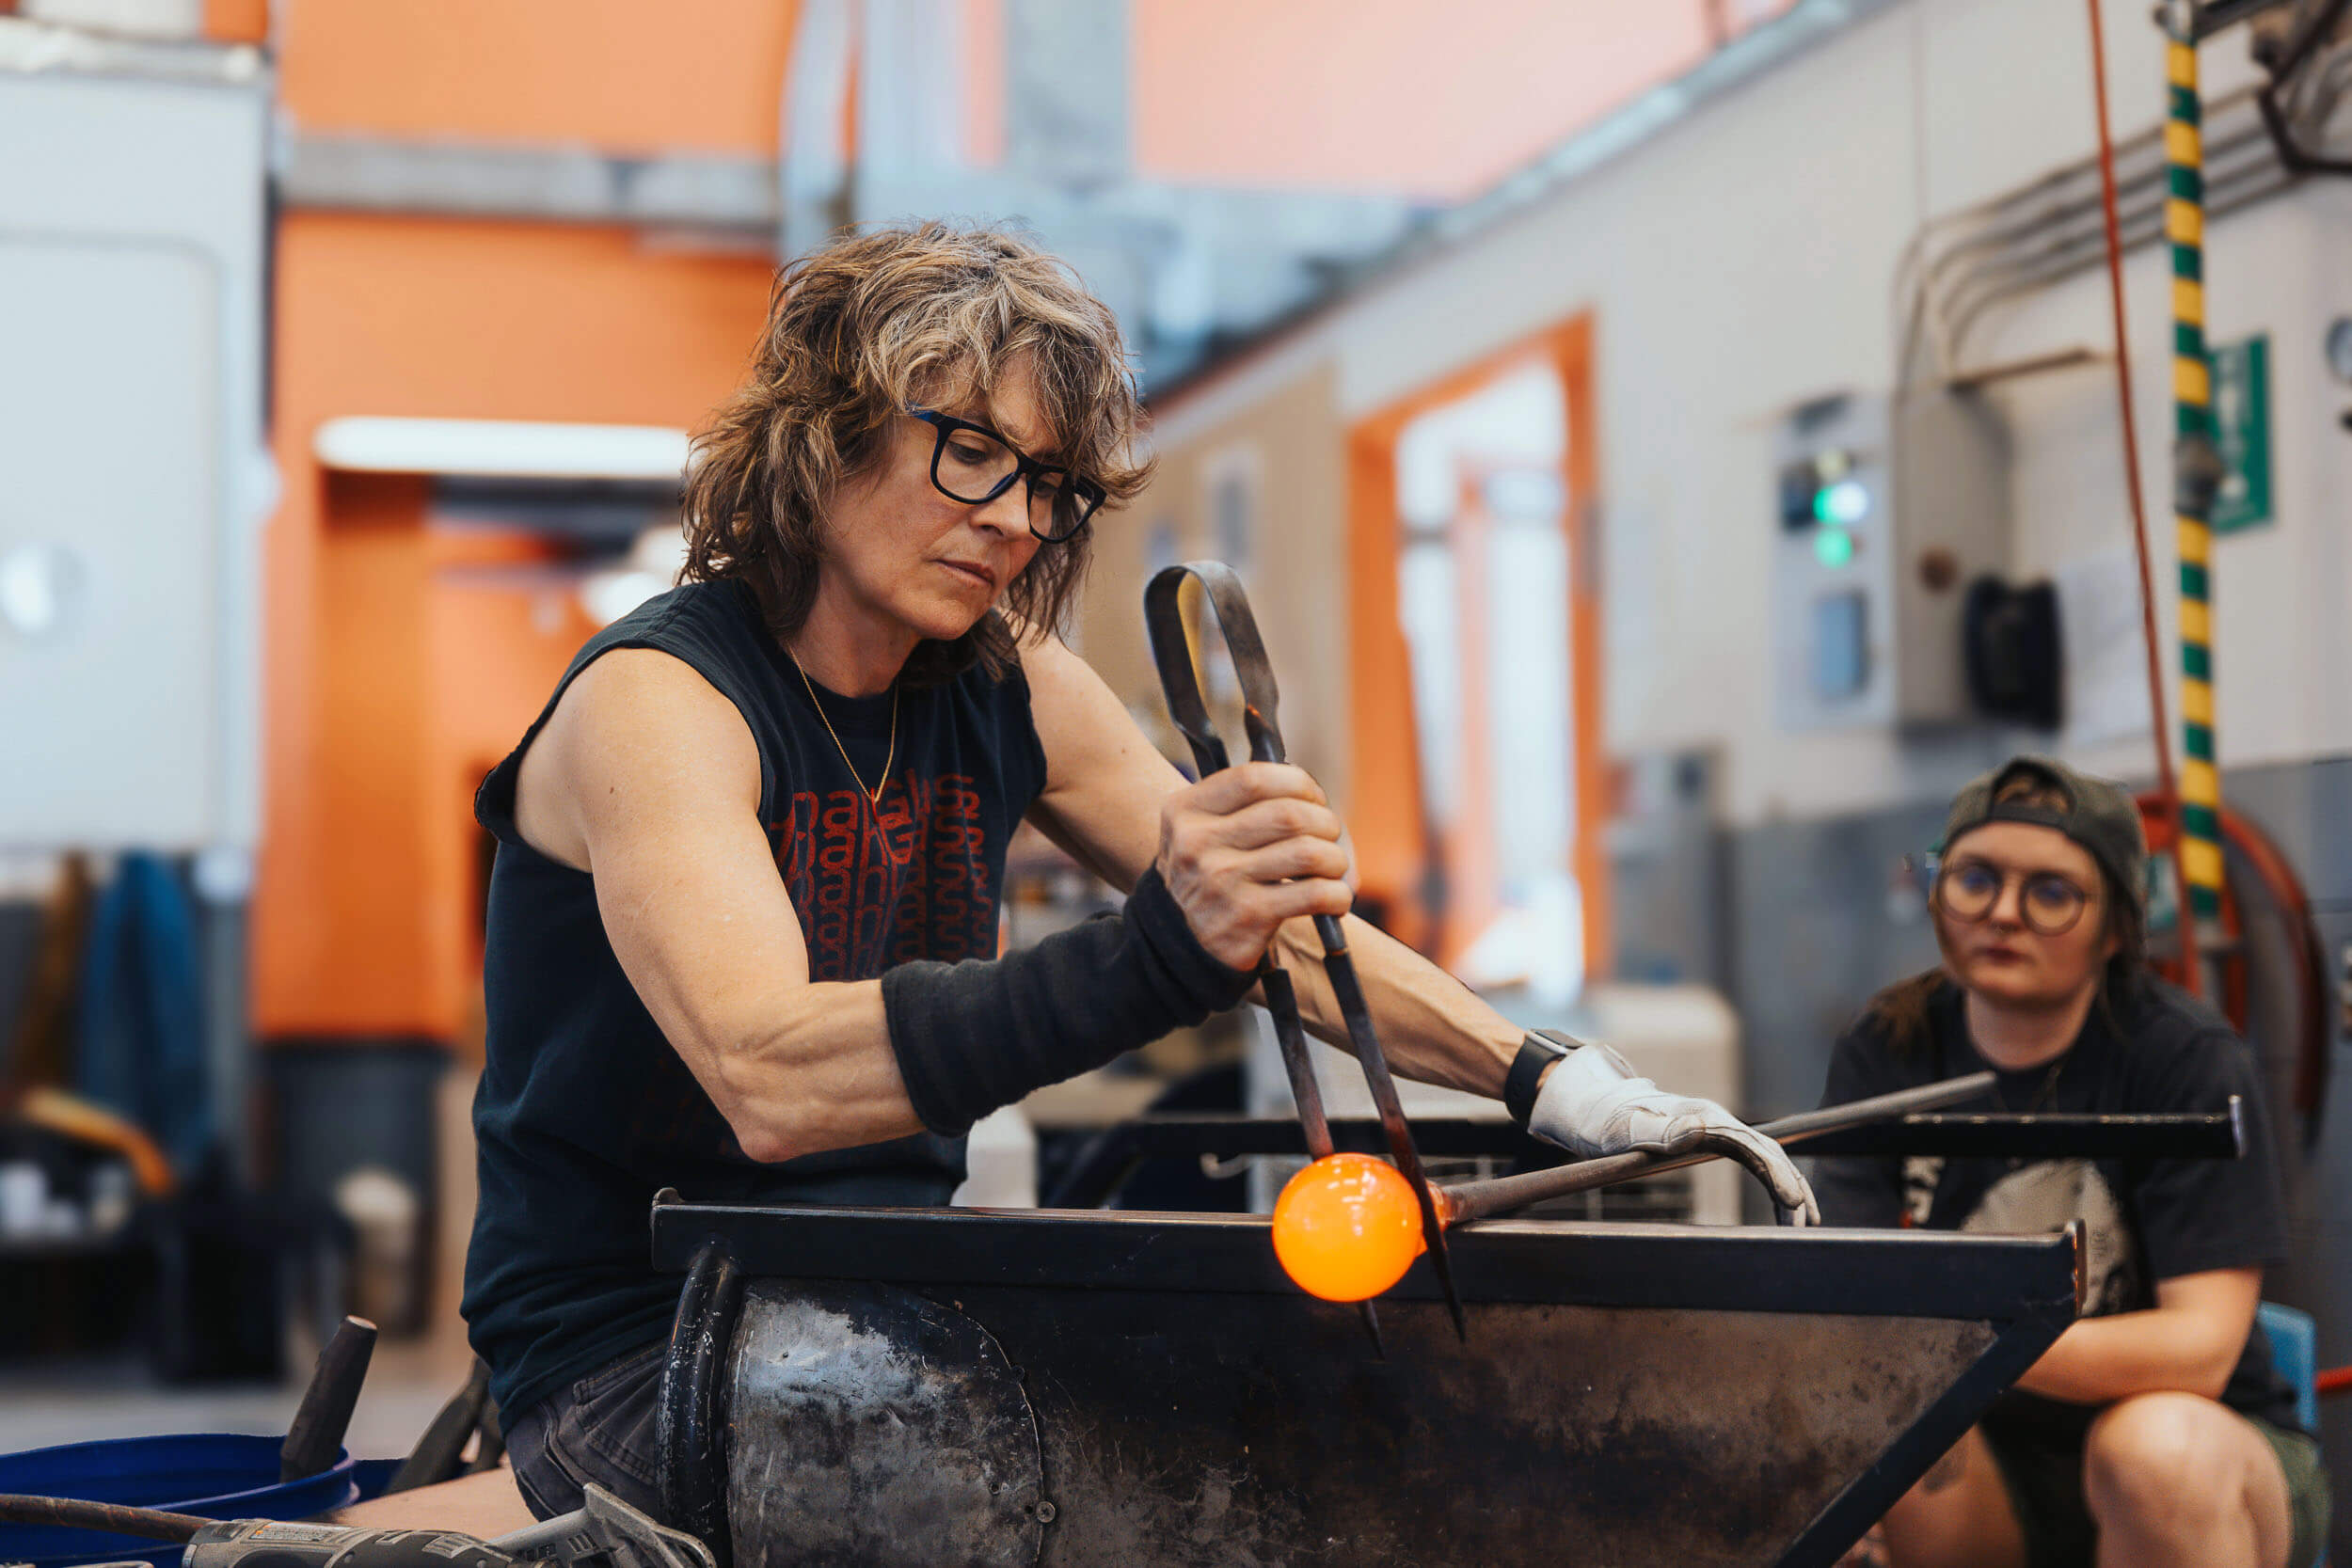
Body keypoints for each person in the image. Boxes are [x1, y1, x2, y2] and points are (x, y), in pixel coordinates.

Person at [459, 221, 1816, 1522]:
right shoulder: (661, 701)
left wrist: (1560, 1083)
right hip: (642, 1346)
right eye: (972, 453)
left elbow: (1269, 927)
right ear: (825, 437)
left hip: (877, 1305)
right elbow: (771, 1078)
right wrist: (1157, 953)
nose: (1015, 519)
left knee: (1295, 1416)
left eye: (1047, 486)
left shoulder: (1004, 678)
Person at [1813, 756, 2328, 1568]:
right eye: (1976, 878)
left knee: (2153, 1453)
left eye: (2051, 892)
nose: (2003, 913)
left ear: (2117, 927)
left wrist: (1962, 1339)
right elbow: (1849, 1306)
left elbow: (2200, 1351)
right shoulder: (1889, 1047)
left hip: (2203, 1451)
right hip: (1994, 1463)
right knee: (1877, 1441)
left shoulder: (2185, 1059)